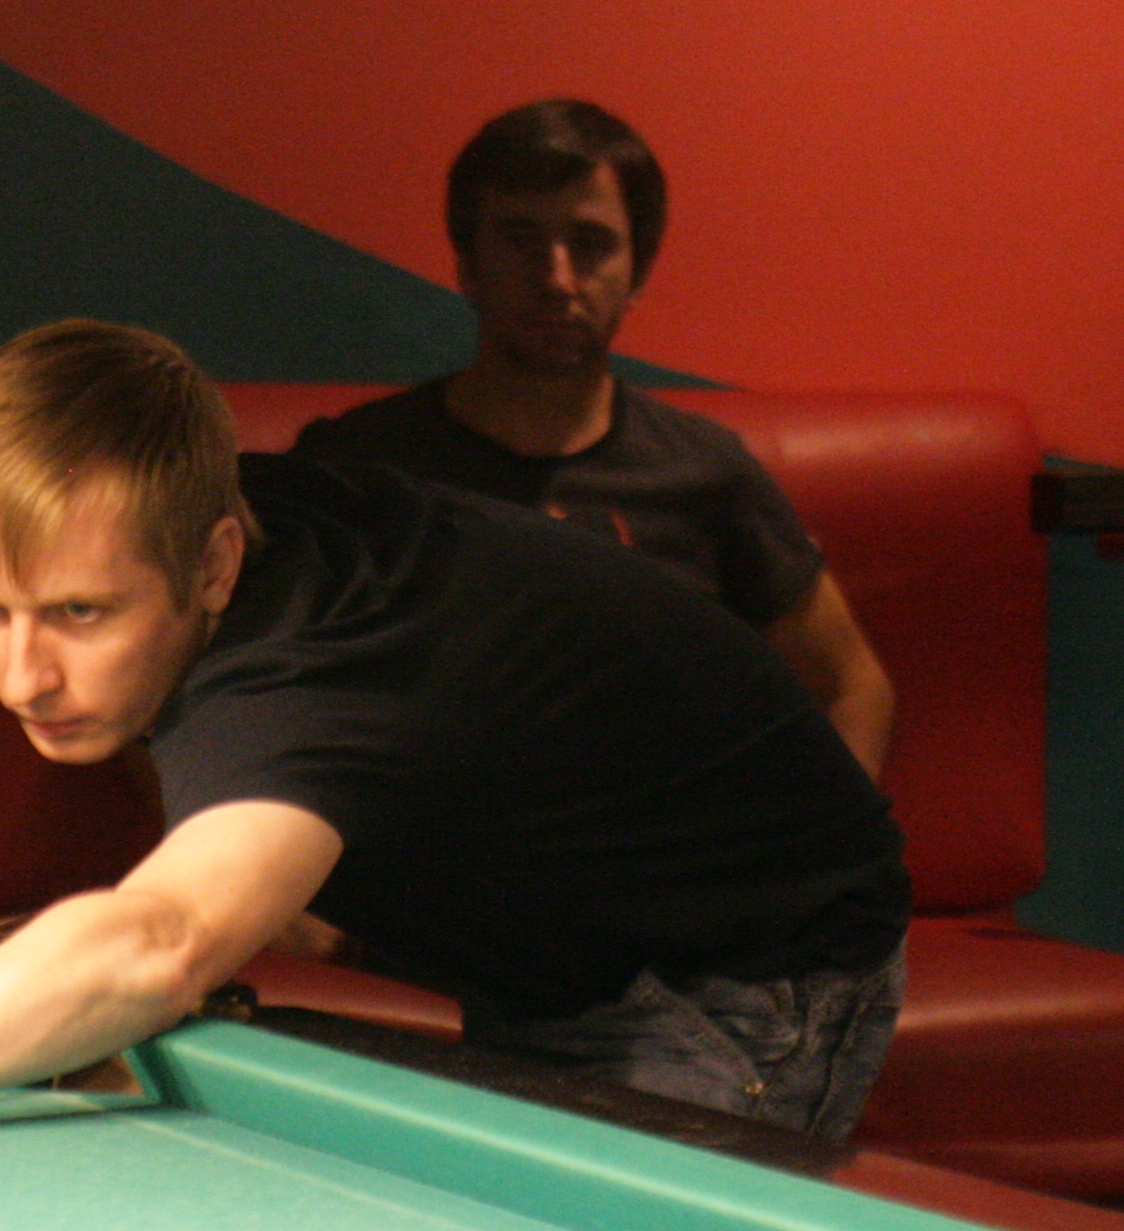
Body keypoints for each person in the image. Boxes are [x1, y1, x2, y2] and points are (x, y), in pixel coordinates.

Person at [0, 319, 910, 1160]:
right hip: (573, 951)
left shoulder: (302, 670)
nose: (24, 671)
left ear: (216, 563)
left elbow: (160, 939)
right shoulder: (220, 531)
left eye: (80, 613)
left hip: (749, 980)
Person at [293, 100, 893, 775]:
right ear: (468, 265)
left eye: (590, 243)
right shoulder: (355, 470)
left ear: (637, 274)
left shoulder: (705, 474)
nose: (557, 279)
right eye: (520, 239)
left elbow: (853, 687)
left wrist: (825, 840)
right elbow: (234, 682)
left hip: (654, 833)